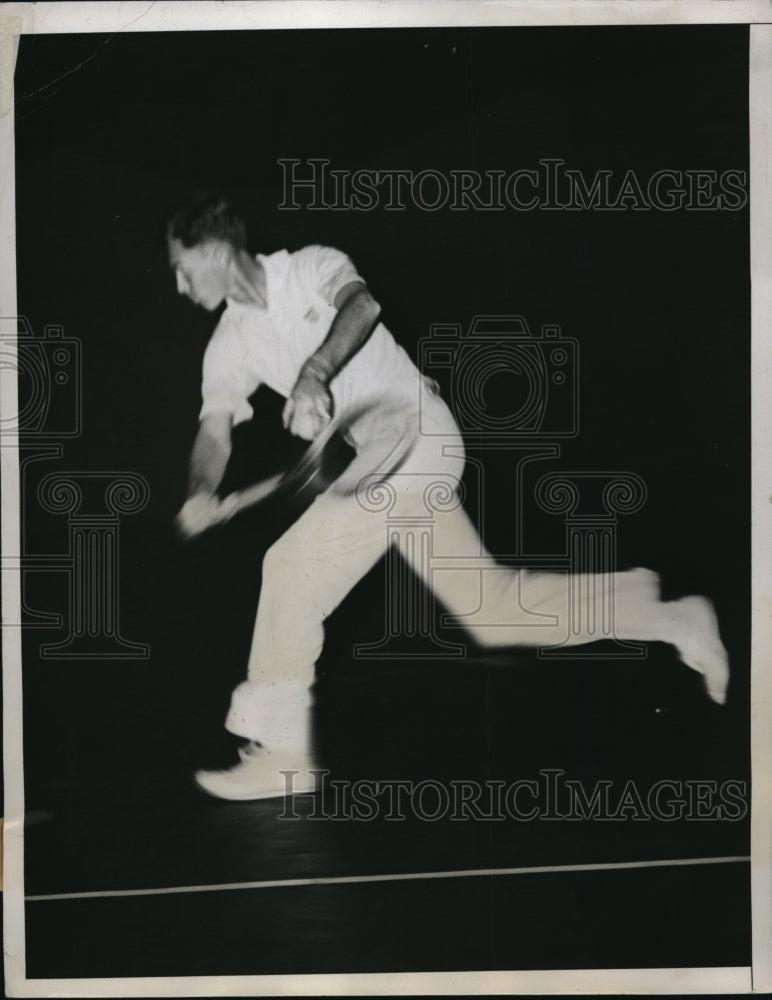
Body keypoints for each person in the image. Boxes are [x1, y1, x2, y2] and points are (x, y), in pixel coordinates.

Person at [169, 194, 730, 801]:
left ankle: (281, 756)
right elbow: (215, 428)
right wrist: (201, 489)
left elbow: (362, 304)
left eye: (182, 266)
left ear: (219, 252)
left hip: (416, 433)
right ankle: (672, 618)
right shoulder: (230, 341)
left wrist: (313, 374)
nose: (178, 284)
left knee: (290, 567)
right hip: (379, 462)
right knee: (496, 613)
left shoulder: (309, 266)